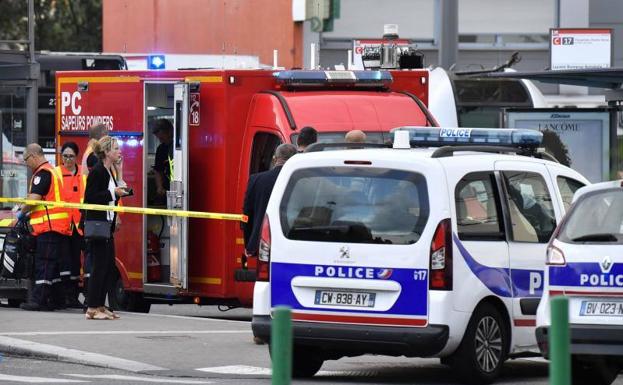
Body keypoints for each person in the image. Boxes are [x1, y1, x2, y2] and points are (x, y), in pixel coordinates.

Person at [19, 144, 72, 311]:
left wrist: (20, 213)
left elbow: (34, 200)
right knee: (54, 267)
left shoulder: (42, 174)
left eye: (26, 160)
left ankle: (39, 300)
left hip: (48, 227)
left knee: (45, 264)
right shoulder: (52, 171)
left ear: (34, 156)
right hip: (58, 227)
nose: (26, 163)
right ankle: (57, 300)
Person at [83, 136, 131, 320]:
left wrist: (119, 172)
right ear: (107, 152)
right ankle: (92, 307)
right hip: (98, 226)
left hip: (107, 225)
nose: (120, 151)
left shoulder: (109, 170)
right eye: (116, 148)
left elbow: (116, 192)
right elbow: (91, 197)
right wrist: (113, 192)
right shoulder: (98, 171)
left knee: (108, 266)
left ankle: (101, 306)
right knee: (98, 267)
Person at [55, 142, 87, 308]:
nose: (67, 159)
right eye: (65, 156)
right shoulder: (56, 173)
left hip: (79, 225)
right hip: (63, 225)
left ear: (77, 157)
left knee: (77, 262)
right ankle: (65, 296)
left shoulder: (84, 172)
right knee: (64, 262)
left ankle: (74, 296)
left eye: (71, 156)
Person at [152, 119, 174, 199]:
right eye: (158, 138)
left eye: (162, 137)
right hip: (167, 188)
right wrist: (159, 187)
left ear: (169, 131)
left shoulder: (179, 147)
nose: (160, 140)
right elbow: (158, 170)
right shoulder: (161, 149)